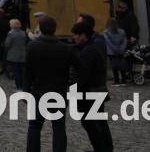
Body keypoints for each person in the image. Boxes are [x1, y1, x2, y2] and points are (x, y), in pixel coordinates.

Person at [24, 16, 80, 152]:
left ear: (41, 29)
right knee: (59, 127)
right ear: (55, 28)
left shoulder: (32, 47)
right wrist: (72, 88)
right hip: (59, 92)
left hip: (39, 92)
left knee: (35, 127)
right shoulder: (66, 48)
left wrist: (26, 91)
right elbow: (79, 69)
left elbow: (28, 72)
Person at [71, 21, 114, 151]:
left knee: (92, 124)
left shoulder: (88, 51)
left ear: (84, 35)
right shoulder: (91, 48)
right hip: (94, 91)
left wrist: (72, 91)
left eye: (76, 35)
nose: (74, 37)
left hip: (90, 93)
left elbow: (82, 75)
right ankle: (103, 148)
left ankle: (102, 148)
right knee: (96, 123)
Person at [4, 19, 28, 90]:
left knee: (16, 72)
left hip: (14, 55)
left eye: (10, 24)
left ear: (12, 25)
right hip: (23, 54)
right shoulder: (23, 33)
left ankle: (19, 87)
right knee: (22, 71)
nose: (9, 25)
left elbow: (7, 44)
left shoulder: (11, 33)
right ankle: (23, 86)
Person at [103, 18, 128, 85]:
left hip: (112, 52)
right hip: (121, 51)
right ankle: (124, 79)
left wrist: (115, 49)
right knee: (122, 65)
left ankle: (116, 81)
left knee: (114, 66)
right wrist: (121, 49)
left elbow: (108, 42)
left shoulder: (106, 32)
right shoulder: (122, 31)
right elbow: (124, 41)